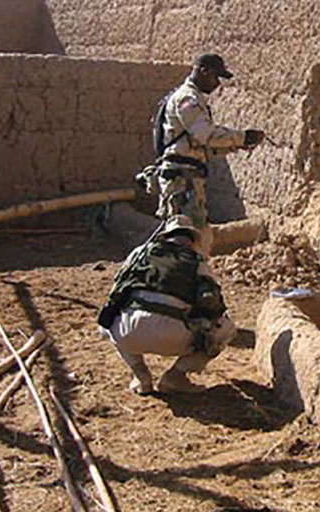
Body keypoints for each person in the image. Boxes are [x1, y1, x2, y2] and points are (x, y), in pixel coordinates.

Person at [139, 53, 265, 258]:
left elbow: (198, 144)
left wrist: (236, 145)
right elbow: (205, 135)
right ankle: (179, 280)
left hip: (186, 177)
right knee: (185, 236)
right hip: (181, 178)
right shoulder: (187, 98)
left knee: (191, 234)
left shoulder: (192, 97)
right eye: (216, 78)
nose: (217, 84)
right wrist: (242, 137)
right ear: (203, 71)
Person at [98, 215, 236, 394]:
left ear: (165, 236)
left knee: (107, 324)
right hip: (174, 337)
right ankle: (175, 377)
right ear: (191, 240)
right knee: (227, 329)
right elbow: (212, 303)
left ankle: (141, 376)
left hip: (128, 333)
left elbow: (116, 292)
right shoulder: (196, 261)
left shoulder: (140, 254)